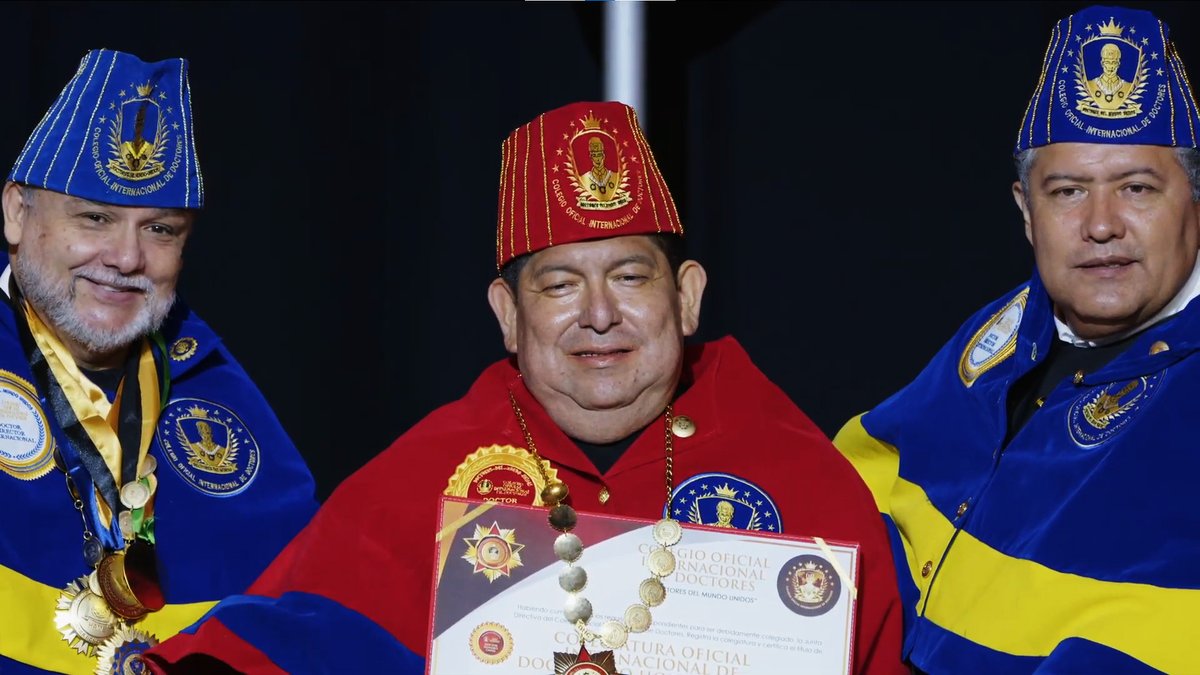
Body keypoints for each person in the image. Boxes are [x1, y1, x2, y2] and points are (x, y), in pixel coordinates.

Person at [144, 101, 908, 673]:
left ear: (687, 297)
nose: (599, 314)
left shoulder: (804, 482)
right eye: (559, 284)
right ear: (508, 315)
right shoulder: (418, 481)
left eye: (630, 276)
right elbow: (283, 645)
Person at [833, 5, 1200, 673]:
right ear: (1027, 212)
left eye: (1137, 188)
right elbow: (864, 482)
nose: (1101, 224)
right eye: (1068, 192)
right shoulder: (1012, 323)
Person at [0, 49, 318, 674]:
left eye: (160, 230)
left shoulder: (224, 397)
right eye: (96, 218)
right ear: (16, 212)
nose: (126, 258)